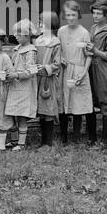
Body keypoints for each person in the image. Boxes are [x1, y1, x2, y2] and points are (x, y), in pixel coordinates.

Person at [58, 0, 94, 143]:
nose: (71, 18)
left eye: (73, 14)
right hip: (65, 70)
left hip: (79, 70)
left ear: (78, 14)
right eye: (68, 15)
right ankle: (63, 138)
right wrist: (60, 58)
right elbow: (58, 50)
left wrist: (84, 71)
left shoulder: (84, 32)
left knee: (78, 104)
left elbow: (89, 55)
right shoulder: (61, 31)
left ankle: (77, 137)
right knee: (64, 102)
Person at [4, 20, 38, 150]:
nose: (16, 36)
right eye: (15, 34)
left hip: (24, 88)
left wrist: (17, 75)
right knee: (12, 113)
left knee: (22, 116)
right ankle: (14, 140)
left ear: (27, 35)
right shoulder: (17, 49)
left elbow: (31, 71)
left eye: (19, 34)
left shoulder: (31, 51)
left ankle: (21, 143)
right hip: (14, 86)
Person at [88, 1, 107, 147]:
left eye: (99, 13)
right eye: (94, 12)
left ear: (106, 15)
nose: (95, 15)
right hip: (91, 68)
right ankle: (92, 138)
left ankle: (105, 141)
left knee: (106, 102)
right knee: (91, 101)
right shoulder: (93, 28)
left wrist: (95, 51)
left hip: (104, 70)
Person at [33, 10, 63, 146]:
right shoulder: (37, 41)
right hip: (37, 79)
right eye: (39, 22)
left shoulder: (55, 42)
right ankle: (42, 140)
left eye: (42, 23)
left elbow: (57, 64)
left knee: (49, 109)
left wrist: (46, 68)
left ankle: (48, 142)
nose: (39, 25)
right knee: (41, 109)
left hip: (49, 80)